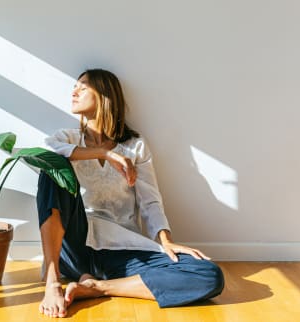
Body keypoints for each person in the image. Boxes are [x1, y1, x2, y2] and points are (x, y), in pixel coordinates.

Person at [37, 68, 224, 318]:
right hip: (75, 245)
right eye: (75, 86)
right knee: (51, 168)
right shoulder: (66, 138)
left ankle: (97, 286)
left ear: (104, 95)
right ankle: (53, 283)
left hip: (120, 249)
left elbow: (150, 201)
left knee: (208, 274)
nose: (75, 91)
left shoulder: (136, 146)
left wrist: (165, 241)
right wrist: (104, 154)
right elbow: (43, 153)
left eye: (83, 87)